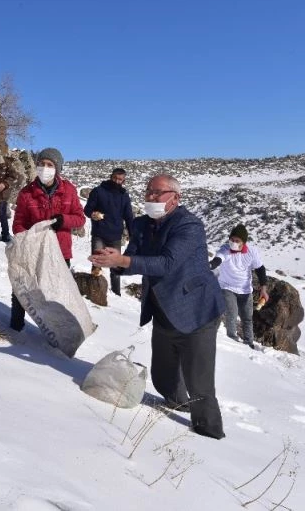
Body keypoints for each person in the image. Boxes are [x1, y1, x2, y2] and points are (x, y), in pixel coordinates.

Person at [90, 173, 226, 440]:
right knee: (163, 375)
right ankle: (177, 403)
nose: (151, 197)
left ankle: (209, 434)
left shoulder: (189, 226)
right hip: (164, 309)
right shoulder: (141, 224)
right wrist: (112, 261)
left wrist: (125, 262)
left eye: (158, 192)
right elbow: (133, 258)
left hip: (196, 311)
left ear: (175, 198)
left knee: (199, 383)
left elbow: (165, 264)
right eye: (148, 191)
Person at [9, 147, 86, 331]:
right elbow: (18, 223)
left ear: (57, 168)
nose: (45, 168)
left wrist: (64, 221)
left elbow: (80, 218)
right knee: (23, 287)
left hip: (60, 251)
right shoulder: (26, 193)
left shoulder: (68, 190)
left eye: (50, 165)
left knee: (57, 294)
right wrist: (29, 237)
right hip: (33, 250)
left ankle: (58, 334)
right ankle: (16, 327)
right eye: (41, 164)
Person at [210, 224, 269, 349]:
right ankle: (232, 340)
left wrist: (263, 289)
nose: (233, 243)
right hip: (227, 287)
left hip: (245, 289)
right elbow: (218, 260)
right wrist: (209, 265)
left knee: (247, 317)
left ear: (244, 242)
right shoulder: (225, 249)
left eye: (237, 241)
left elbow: (260, 270)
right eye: (232, 240)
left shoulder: (252, 252)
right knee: (232, 313)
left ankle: (249, 343)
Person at [84, 167, 134, 295]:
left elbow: (128, 216)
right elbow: (87, 209)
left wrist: (132, 234)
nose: (117, 182)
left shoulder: (124, 195)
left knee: (116, 267)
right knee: (97, 263)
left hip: (116, 236)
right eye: (115, 178)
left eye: (120, 180)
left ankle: (117, 294)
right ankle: (95, 293)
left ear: (124, 180)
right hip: (99, 233)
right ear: (111, 176)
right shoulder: (98, 191)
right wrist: (92, 214)